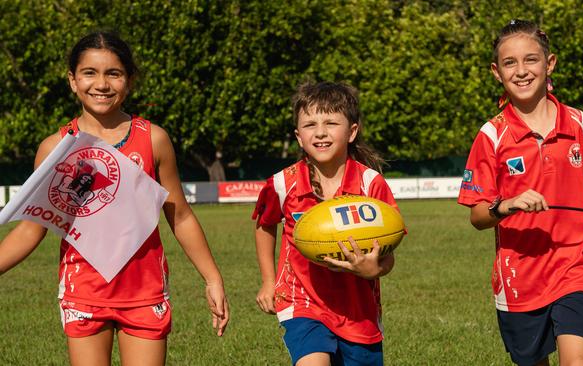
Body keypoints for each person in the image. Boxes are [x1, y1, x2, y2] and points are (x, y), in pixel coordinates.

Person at [0, 31, 229, 365]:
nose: (102, 84)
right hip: (85, 293)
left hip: (144, 292)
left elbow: (179, 216)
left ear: (130, 80)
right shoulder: (55, 148)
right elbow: (31, 230)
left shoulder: (154, 139)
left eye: (114, 73)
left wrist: (213, 279)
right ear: (72, 80)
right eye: (89, 73)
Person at [458, 19, 583, 366]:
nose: (521, 71)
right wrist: (508, 205)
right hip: (519, 276)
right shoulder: (491, 136)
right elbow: (477, 216)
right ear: (496, 72)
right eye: (509, 63)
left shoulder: (579, 123)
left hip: (576, 264)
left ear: (550, 64)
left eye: (531, 60)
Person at [253, 81, 398, 366]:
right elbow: (264, 224)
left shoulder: (371, 185)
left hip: (358, 311)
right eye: (309, 125)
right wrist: (269, 281)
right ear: (298, 136)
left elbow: (389, 251)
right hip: (302, 300)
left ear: (352, 131)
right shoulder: (283, 184)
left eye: (331, 122)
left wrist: (375, 268)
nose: (320, 132)